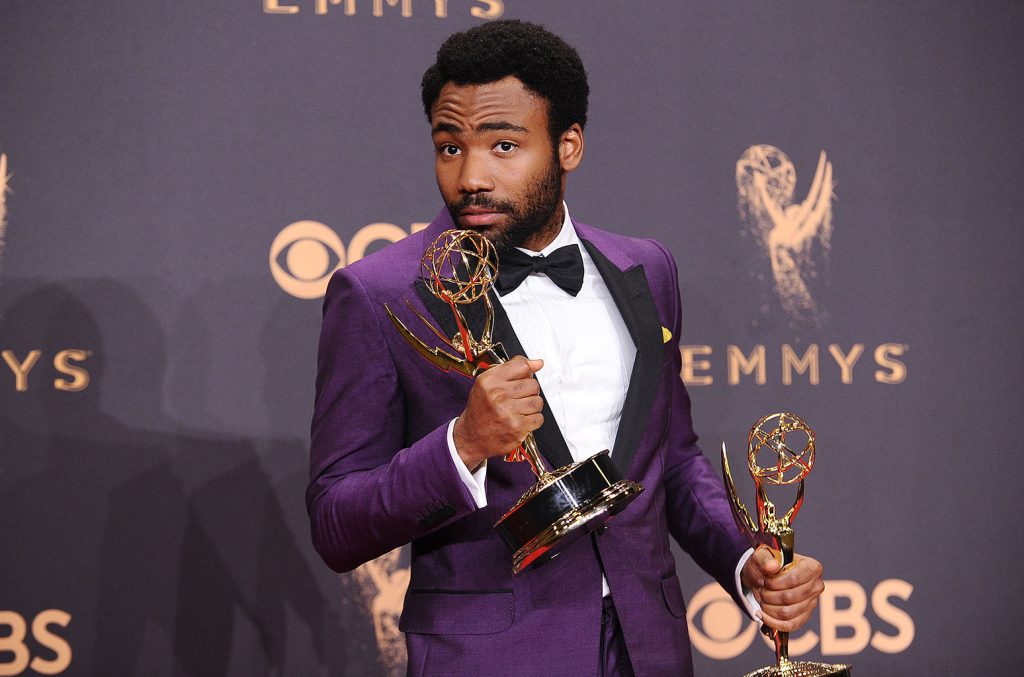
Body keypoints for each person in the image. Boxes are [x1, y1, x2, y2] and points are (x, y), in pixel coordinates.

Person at [307, 19, 824, 676]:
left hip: (650, 651)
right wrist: (463, 445)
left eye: (503, 145)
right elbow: (336, 521)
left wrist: (744, 559)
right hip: (491, 660)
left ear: (568, 145)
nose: (470, 176)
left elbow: (672, 461)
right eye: (449, 147)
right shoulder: (380, 293)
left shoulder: (647, 269)